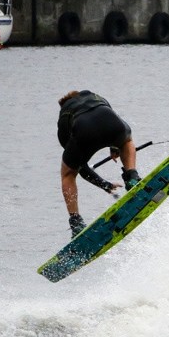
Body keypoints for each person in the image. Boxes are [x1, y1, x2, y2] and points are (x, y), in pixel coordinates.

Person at [57, 91, 141, 237]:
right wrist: (115, 146)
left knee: (68, 174)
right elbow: (111, 123)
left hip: (84, 130)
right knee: (127, 141)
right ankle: (132, 177)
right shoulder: (94, 96)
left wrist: (104, 185)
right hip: (112, 123)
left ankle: (76, 222)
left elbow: (80, 167)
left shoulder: (64, 117)